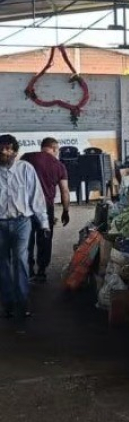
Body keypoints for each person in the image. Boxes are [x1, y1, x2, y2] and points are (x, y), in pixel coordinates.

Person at [0, 134, 49, 319]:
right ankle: (8, 303)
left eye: (7, 148)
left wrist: (44, 223)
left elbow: (36, 198)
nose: (4, 152)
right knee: (2, 263)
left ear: (15, 151)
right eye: (1, 148)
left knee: (20, 260)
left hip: (22, 222)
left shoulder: (26, 169)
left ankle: (22, 301)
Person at [21, 137, 70, 283]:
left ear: (42, 147)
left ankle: (29, 271)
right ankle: (41, 272)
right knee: (45, 239)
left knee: (27, 240)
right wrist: (65, 210)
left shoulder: (27, 157)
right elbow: (65, 191)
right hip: (45, 207)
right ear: (55, 149)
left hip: (25, 207)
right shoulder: (59, 165)